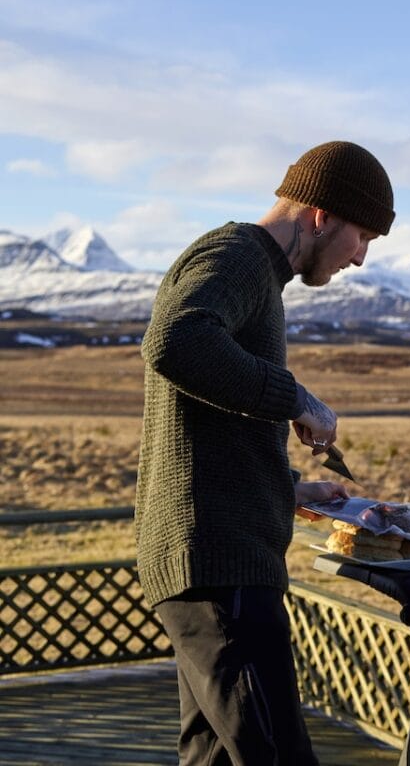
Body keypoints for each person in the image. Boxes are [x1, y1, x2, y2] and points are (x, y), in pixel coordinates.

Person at [135, 141, 395, 765]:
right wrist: (295, 398)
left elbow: (208, 425)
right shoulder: (238, 256)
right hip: (220, 564)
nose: (360, 258)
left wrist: (287, 489)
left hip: (216, 555)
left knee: (215, 758)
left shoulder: (255, 274)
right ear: (320, 215)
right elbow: (174, 341)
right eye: (363, 237)